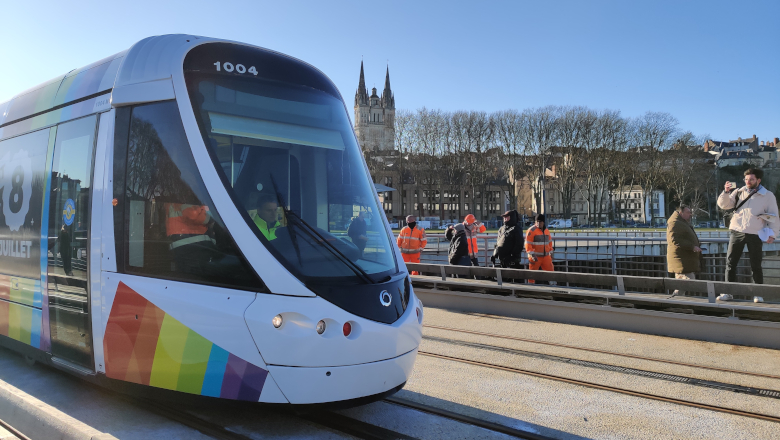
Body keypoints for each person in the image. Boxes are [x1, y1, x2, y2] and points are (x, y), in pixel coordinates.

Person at [717, 168, 779, 301]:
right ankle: (728, 292)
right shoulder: (739, 191)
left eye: (751, 179)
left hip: (755, 233)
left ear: (758, 180)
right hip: (737, 231)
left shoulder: (768, 196)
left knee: (756, 265)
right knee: (730, 263)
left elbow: (774, 217)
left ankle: (758, 294)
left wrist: (773, 234)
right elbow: (724, 205)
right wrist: (726, 192)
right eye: (746, 179)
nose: (748, 182)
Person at [666, 205, 702, 298]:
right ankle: (674, 299)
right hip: (680, 258)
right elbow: (674, 240)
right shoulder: (675, 222)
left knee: (681, 282)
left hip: (683, 258)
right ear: (681, 213)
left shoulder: (680, 222)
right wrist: (692, 246)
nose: (690, 214)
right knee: (689, 279)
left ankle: (676, 300)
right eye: (688, 212)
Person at [525, 214, 554, 283]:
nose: (538, 223)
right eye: (536, 221)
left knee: (552, 274)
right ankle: (531, 289)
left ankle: (553, 288)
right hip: (535, 257)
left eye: (540, 221)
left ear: (543, 222)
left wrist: (551, 251)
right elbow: (528, 244)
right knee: (532, 275)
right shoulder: (531, 230)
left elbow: (549, 242)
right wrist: (532, 254)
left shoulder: (546, 230)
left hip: (546, 256)